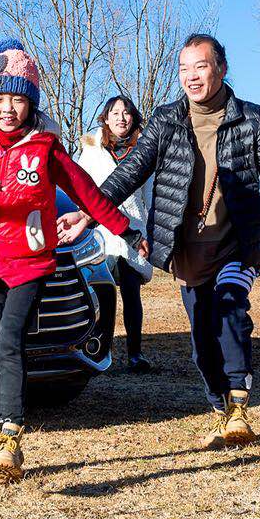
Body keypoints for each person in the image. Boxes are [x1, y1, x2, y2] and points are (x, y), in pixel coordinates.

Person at [58, 34, 260, 448]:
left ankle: (239, 405)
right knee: (202, 340)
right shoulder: (167, 120)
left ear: (221, 68)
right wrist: (87, 213)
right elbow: (129, 173)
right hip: (186, 248)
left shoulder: (252, 119)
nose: (191, 76)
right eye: (184, 68)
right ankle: (220, 409)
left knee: (230, 307)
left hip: (237, 242)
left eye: (199, 66)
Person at [0, 39, 142, 485]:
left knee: (9, 340)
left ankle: (10, 433)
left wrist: (127, 231)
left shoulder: (46, 147)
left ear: (30, 101)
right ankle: (2, 436)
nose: (7, 108)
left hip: (29, 260)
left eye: (16, 98)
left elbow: (88, 192)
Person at [77, 95, 156, 373]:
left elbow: (151, 196)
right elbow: (80, 187)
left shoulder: (145, 151)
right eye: (115, 113)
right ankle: (100, 350)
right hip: (100, 230)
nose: (121, 118)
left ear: (133, 117)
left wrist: (151, 229)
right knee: (101, 291)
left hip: (133, 230)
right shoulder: (91, 150)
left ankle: (135, 353)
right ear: (106, 118)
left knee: (132, 291)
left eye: (126, 113)